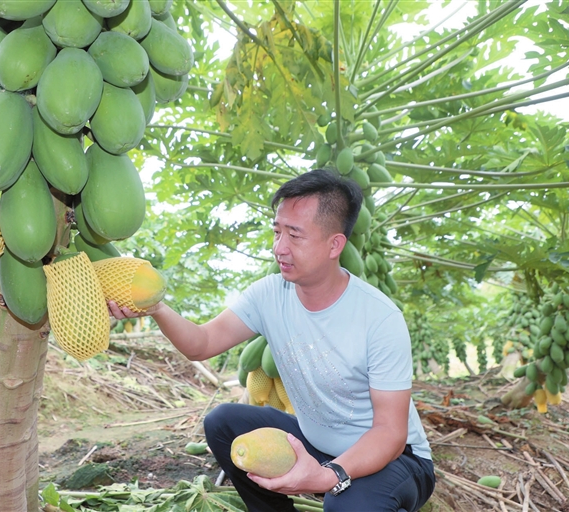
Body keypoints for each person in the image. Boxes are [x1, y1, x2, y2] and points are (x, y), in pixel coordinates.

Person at [108, 169, 436, 512]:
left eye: (295, 235)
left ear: (334, 245)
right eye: (277, 231)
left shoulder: (380, 318)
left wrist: (329, 476)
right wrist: (156, 307)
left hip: (396, 458)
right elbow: (201, 343)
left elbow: (390, 434)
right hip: (316, 443)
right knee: (222, 423)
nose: (279, 247)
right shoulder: (270, 293)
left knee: (347, 507)